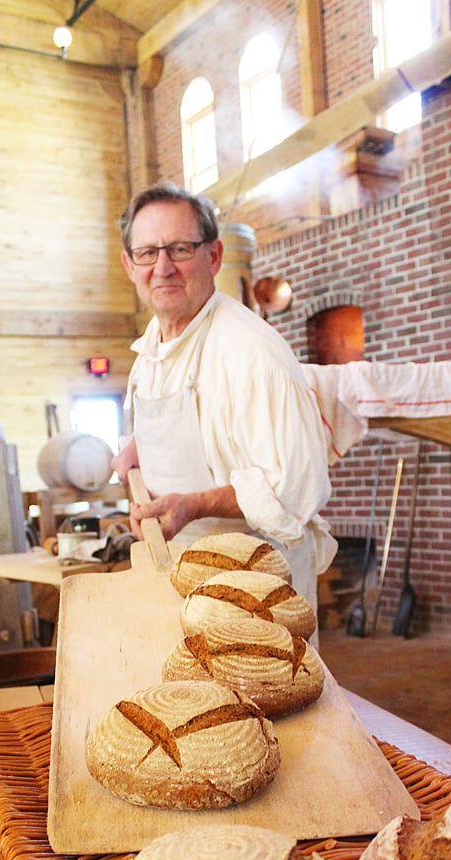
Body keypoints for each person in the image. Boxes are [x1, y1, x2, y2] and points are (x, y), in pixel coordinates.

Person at [110, 181, 337, 616]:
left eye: (179, 249)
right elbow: (202, 426)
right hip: (179, 574)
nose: (162, 268)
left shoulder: (252, 353)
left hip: (258, 585)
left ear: (213, 256)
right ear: (129, 265)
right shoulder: (151, 352)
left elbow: (293, 487)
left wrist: (195, 504)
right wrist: (142, 445)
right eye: (147, 253)